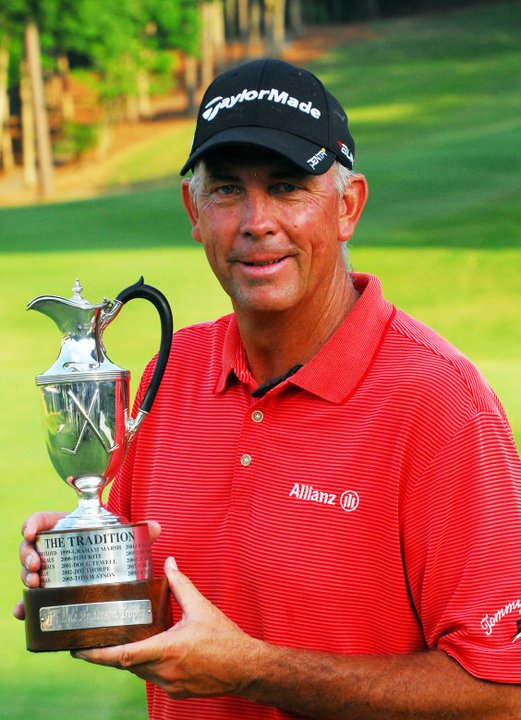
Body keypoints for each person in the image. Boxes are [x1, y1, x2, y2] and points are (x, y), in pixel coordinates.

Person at [15, 59, 521, 719]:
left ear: (347, 206)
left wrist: (256, 671)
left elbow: (502, 695)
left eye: (286, 187)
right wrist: (84, 571)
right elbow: (169, 607)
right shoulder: (172, 374)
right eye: (227, 189)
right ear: (192, 211)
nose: (256, 221)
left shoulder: (440, 403)